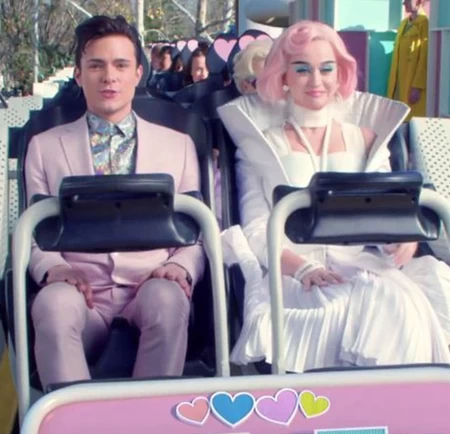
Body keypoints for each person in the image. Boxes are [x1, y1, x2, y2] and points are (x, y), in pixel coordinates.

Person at [219, 20, 450, 373]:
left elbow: (389, 210)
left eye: (326, 69)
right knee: (369, 302)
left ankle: (395, 405)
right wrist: (302, 268)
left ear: (339, 73)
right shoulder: (259, 144)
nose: (316, 80)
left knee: (398, 301)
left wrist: (404, 239)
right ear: (283, 76)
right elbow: (256, 226)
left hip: (365, 268)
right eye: (302, 69)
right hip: (291, 273)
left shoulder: (366, 138)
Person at [25, 15, 204, 389]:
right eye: (96, 66)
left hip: (150, 283)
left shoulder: (179, 146)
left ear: (138, 73)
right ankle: (73, 422)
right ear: (78, 75)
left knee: (168, 298)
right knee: (52, 304)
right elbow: (33, 236)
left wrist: (180, 266)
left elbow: (197, 233)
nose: (109, 77)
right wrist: (54, 269)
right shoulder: (44, 147)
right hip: (79, 289)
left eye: (121, 65)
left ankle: (149, 420)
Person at [387, 0, 429, 120]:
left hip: (411, 82)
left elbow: (424, 56)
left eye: (407, 0)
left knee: (411, 118)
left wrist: (417, 86)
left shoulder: (425, 23)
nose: (404, 3)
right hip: (398, 82)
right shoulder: (403, 24)